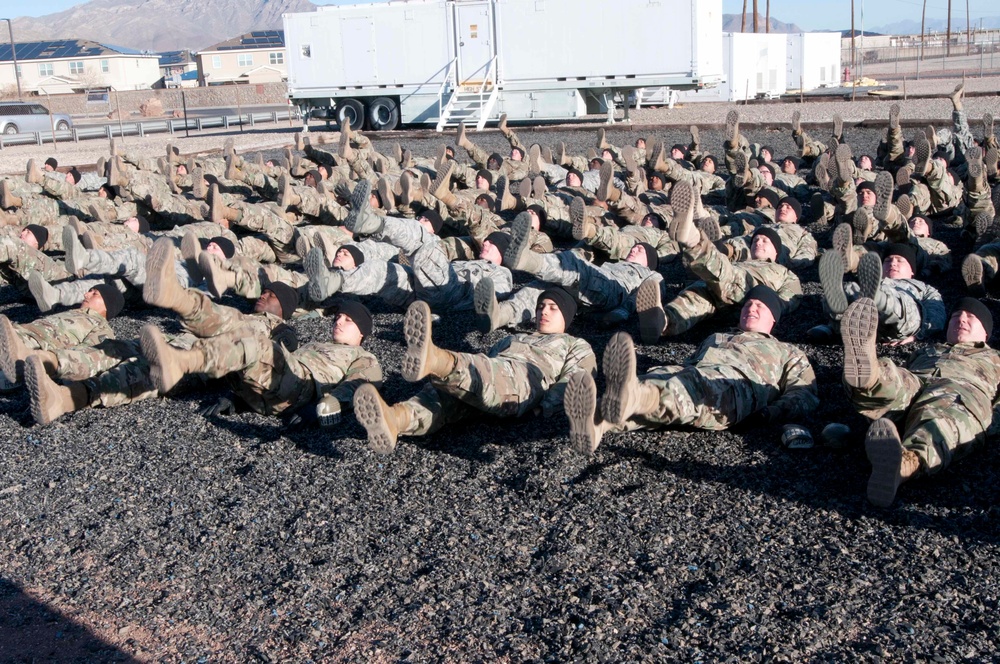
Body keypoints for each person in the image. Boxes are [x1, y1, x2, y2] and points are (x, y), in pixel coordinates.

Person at [564, 285, 817, 454]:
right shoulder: (717, 336)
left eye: (759, 307)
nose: (750, 309)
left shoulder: (788, 351)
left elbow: (805, 394)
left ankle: (634, 397)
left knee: (688, 388)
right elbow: (691, 367)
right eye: (747, 305)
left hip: (736, 387)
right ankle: (597, 425)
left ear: (773, 319)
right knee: (660, 383)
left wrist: (770, 413)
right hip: (693, 374)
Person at [353, 289, 596, 454]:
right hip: (494, 380)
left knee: (484, 370)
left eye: (553, 308)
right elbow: (488, 361)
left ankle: (436, 359)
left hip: (525, 381)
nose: (543, 311)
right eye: (541, 306)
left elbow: (576, 379)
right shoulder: (513, 338)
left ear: (567, 316)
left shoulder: (574, 344)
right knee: (443, 395)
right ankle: (396, 419)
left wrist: (547, 407)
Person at [840, 296, 1000, 507]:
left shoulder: (996, 357)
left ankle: (904, 464)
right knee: (895, 377)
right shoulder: (927, 350)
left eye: (970, 317)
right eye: (955, 316)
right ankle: (868, 378)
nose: (961, 319)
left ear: (986, 332)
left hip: (962, 390)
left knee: (941, 415)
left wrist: (991, 424)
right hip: (918, 380)